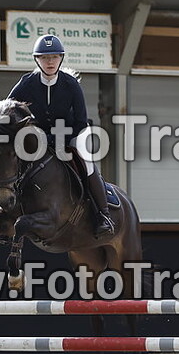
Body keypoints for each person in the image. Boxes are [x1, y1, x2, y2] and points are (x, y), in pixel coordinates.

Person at [7, 34, 114, 237]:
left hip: (73, 132)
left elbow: (81, 121)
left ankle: (103, 215)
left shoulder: (71, 84)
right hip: (40, 136)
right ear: (37, 60)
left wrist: (55, 139)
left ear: (61, 58)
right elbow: (7, 108)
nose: (50, 62)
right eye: (44, 57)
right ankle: (8, 213)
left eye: (54, 57)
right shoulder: (27, 83)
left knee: (87, 164)